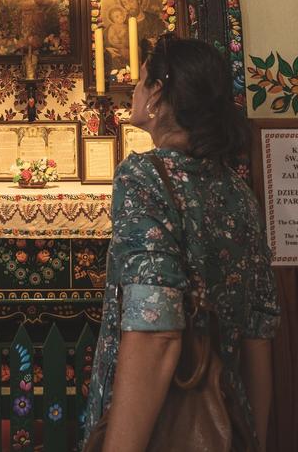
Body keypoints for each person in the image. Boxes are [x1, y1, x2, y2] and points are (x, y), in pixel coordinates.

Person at [83, 36, 279, 452]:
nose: (134, 91)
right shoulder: (238, 192)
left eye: (140, 82)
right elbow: (258, 335)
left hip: (159, 427)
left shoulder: (144, 177)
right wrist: (254, 439)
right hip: (228, 421)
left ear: (156, 93)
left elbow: (157, 333)